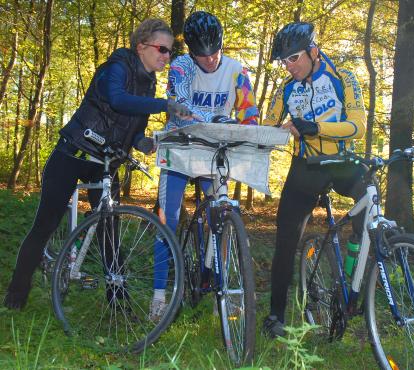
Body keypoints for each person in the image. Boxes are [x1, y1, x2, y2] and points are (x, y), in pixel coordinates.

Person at [3, 18, 188, 310]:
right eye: (162, 49)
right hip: (72, 154)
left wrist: (142, 142)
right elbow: (116, 99)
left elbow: (135, 125)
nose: (166, 56)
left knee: (109, 232)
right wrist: (164, 104)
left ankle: (118, 303)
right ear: (141, 46)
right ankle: (15, 298)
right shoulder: (117, 67)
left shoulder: (148, 82)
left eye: (170, 52)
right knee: (45, 225)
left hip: (105, 162)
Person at [150, 11, 259, 321]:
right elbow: (182, 107)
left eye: (214, 52)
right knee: (166, 219)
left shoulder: (238, 71)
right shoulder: (181, 66)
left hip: (214, 151)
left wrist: (248, 130)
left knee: (220, 220)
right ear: (191, 51)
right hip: (181, 149)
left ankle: (221, 291)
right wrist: (218, 119)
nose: (210, 59)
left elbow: (249, 110)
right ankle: (158, 297)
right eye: (202, 54)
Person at [261, 22, 367, 337]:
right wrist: (268, 133)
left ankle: (353, 287)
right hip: (306, 167)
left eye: (293, 58)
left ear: (314, 51)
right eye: (284, 61)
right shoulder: (286, 89)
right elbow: (267, 125)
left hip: (342, 162)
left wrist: (314, 127)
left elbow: (357, 125)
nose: (288, 66)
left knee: (370, 201)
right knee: (285, 240)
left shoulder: (343, 77)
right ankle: (275, 316)